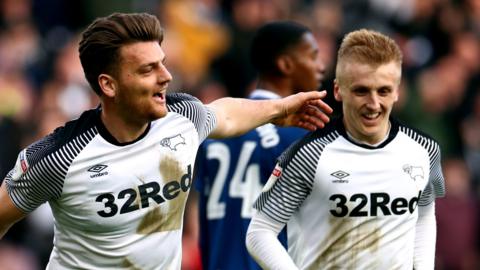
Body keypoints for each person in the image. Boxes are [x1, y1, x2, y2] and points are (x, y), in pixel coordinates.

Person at [0, 13, 334, 270]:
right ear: (109, 85)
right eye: (148, 69)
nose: (166, 76)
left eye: (162, 63)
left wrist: (279, 109)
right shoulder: (59, 157)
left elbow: (226, 114)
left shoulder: (183, 117)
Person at [246, 29, 445, 269]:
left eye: (383, 91)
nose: (373, 104)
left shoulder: (424, 149)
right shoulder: (308, 154)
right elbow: (259, 232)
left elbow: (423, 214)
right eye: (361, 90)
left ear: (397, 91)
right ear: (338, 90)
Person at [194, 21, 326, 270]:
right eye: (313, 56)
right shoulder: (299, 136)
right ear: (286, 64)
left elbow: (198, 217)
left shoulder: (214, 133)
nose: (321, 67)